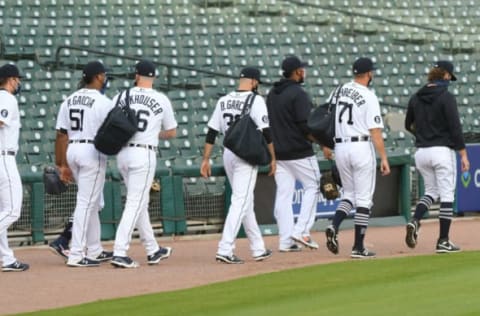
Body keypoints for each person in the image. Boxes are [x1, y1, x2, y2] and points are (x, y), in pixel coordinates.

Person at [201, 66, 275, 264]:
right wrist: (273, 157)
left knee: (245, 202)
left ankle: (258, 248)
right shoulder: (256, 99)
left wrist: (205, 159)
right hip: (246, 154)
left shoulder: (224, 100)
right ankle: (225, 248)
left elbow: (211, 132)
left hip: (229, 153)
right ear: (254, 81)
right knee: (240, 201)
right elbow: (266, 131)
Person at [110, 60, 176, 268]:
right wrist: (155, 133)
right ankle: (120, 251)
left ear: (136, 75)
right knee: (135, 203)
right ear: (153, 77)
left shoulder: (121, 96)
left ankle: (153, 249)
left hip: (123, 153)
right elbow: (172, 132)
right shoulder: (161, 98)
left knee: (140, 203)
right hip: (144, 153)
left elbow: (109, 123)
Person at [324, 57, 390, 258]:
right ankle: (358, 247)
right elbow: (375, 132)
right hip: (361, 146)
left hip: (340, 147)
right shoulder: (368, 96)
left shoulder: (337, 91)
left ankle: (334, 225)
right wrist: (384, 158)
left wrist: (325, 144)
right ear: (369, 74)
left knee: (349, 195)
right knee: (363, 199)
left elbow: (323, 119)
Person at [404, 60, 469, 253]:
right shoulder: (446, 96)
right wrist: (463, 154)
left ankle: (415, 220)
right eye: (450, 76)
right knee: (447, 194)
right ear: (446, 75)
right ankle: (443, 240)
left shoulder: (416, 97)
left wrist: (422, 135)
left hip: (422, 152)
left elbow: (408, 124)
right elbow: (455, 127)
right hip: (442, 151)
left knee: (431, 192)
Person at [55, 61, 113, 267]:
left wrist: (62, 164)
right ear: (98, 77)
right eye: (104, 75)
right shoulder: (103, 101)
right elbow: (114, 129)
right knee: (86, 203)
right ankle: (77, 254)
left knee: (93, 201)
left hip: (73, 150)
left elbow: (61, 134)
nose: (105, 78)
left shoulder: (69, 99)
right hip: (91, 151)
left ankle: (95, 249)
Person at [266, 55, 323, 252]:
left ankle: (285, 240)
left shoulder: (272, 93)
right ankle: (302, 231)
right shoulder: (298, 94)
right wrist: (323, 142)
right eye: (302, 69)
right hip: (299, 151)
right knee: (313, 185)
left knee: (284, 195)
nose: (304, 72)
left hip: (280, 154)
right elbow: (305, 126)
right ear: (297, 71)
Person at [0, 64, 29, 272]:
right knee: (12, 211)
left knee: (3, 211)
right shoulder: (6, 98)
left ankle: (7, 258)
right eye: (17, 79)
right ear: (11, 79)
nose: (18, 82)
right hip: (3, 158)